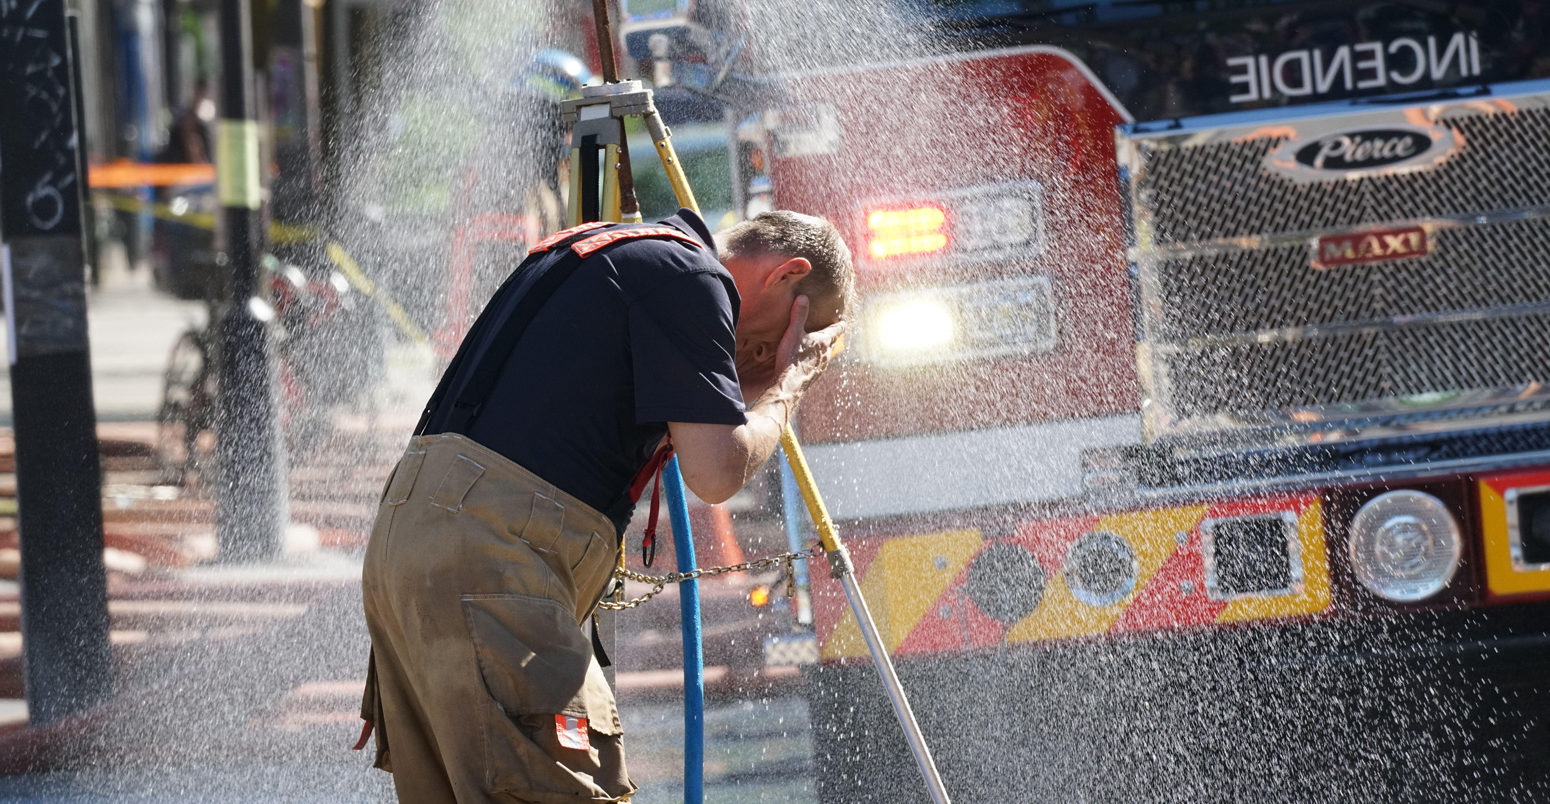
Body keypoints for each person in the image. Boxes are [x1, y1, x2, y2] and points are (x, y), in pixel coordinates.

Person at [359, 208, 853, 803]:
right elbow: (717, 471)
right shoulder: (693, 279)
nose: (766, 352)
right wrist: (787, 384)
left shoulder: (623, 252)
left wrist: (739, 382)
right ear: (785, 275)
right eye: (781, 337)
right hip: (493, 557)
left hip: (417, 545)